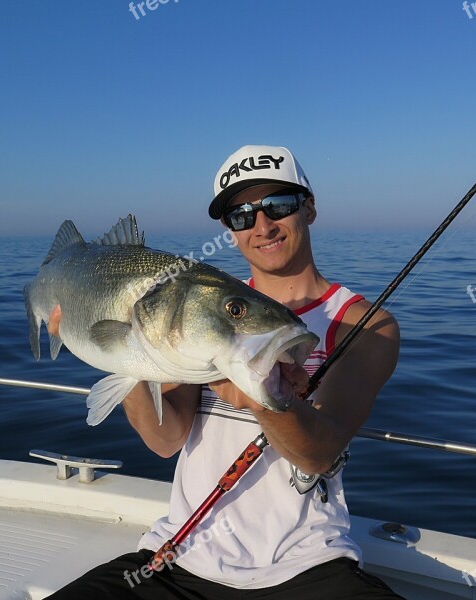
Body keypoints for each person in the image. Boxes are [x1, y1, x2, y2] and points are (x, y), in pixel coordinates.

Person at [44, 145, 404, 599]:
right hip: (178, 555)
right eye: (241, 215)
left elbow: (318, 453)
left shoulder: (363, 325)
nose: (262, 225)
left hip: (307, 566)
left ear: (309, 207)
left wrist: (259, 395)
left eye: (279, 205)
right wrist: (121, 357)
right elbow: (165, 439)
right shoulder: (192, 310)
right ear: (228, 230)